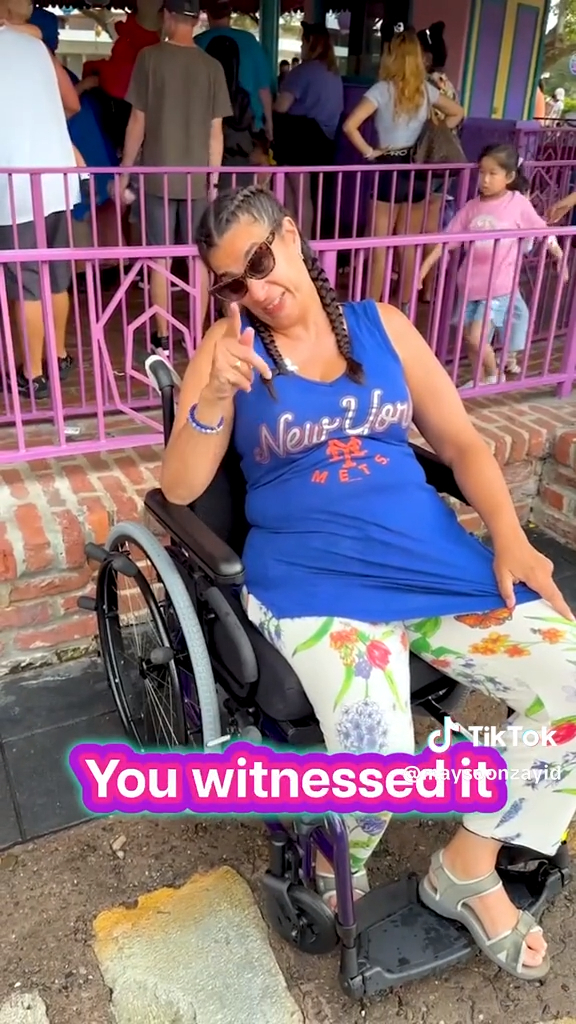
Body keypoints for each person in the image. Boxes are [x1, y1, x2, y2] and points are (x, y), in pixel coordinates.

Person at [160, 182, 575, 981]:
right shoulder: (228, 352)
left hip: (429, 562)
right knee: (381, 761)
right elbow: (179, 487)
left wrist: (510, 535)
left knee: (572, 680)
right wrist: (211, 395)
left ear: (291, 233)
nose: (255, 289)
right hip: (314, 582)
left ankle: (468, 863)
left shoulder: (382, 324)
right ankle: (329, 857)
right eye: (232, 282)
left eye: (259, 260)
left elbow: (461, 443)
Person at [119, 0, 232, 353]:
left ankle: (163, 337)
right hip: (197, 179)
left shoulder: (149, 59)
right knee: (199, 259)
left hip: (158, 177)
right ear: (197, 20)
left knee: (160, 258)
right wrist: (213, 181)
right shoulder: (212, 67)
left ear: (167, 16)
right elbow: (216, 133)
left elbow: (137, 122)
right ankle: (196, 336)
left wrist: (125, 172)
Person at [419, 144, 566, 387]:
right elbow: (447, 241)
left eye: (492, 173)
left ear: (509, 176)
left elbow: (542, 231)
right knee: (470, 338)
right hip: (469, 286)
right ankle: (481, 379)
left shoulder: (517, 203)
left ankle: (494, 375)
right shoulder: (471, 207)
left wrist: (559, 256)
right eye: (481, 172)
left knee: (476, 337)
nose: (485, 180)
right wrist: (423, 270)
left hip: (498, 287)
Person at [342, 23, 464, 305]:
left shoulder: (382, 89)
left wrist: (370, 152)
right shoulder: (425, 91)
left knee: (379, 247)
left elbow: (350, 126)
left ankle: (371, 307)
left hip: (388, 167)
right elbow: (458, 112)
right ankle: (405, 307)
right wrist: (432, 134)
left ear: (392, 56)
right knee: (407, 245)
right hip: (416, 170)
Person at [0, 0, 79, 399]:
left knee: (26, 282)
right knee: (56, 276)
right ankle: (58, 356)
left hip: (16, 184)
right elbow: (72, 103)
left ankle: (32, 374)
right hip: (57, 175)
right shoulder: (37, 46)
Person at [274, 21, 344, 237]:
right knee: (307, 196)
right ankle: (304, 243)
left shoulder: (302, 72)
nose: (300, 46)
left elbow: (281, 106)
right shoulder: (334, 74)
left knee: (295, 196)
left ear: (310, 43)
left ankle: (297, 244)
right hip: (325, 143)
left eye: (302, 42)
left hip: (300, 141)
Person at [416, 20, 461, 301]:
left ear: (426, 56)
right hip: (444, 158)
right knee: (432, 224)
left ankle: (421, 284)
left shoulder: (427, 85)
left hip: (428, 159)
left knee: (423, 226)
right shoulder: (447, 83)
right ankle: (429, 287)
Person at [195, 0, 274, 144]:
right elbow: (263, 89)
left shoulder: (197, 43)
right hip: (246, 125)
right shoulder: (250, 41)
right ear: (230, 13)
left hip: (204, 125)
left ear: (208, 13)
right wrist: (269, 123)